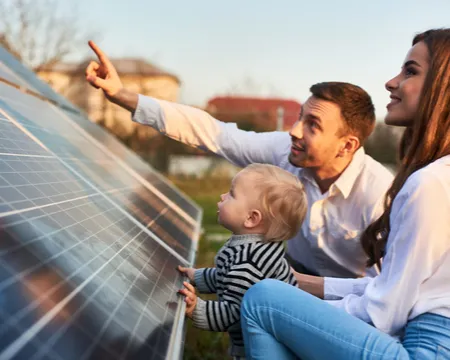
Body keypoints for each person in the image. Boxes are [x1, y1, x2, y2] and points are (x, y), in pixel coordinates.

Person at [85, 43, 394, 279]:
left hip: (353, 300)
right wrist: (122, 95)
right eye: (300, 117)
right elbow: (214, 133)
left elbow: (387, 289)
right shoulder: (285, 151)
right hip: (293, 274)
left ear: (347, 145)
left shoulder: (380, 194)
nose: (295, 130)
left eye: (313, 124)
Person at [239, 28, 450, 359]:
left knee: (261, 300)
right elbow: (392, 289)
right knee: (277, 296)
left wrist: (296, 311)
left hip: (425, 349)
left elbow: (384, 313)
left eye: (410, 71)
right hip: (426, 334)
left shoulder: (429, 184)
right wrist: (296, 284)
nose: (391, 82)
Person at [177, 163, 306, 359]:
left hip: (263, 348)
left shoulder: (249, 262)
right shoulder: (251, 247)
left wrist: (197, 309)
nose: (222, 197)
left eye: (231, 194)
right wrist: (197, 276)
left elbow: (235, 313)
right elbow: (225, 276)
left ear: (251, 219)